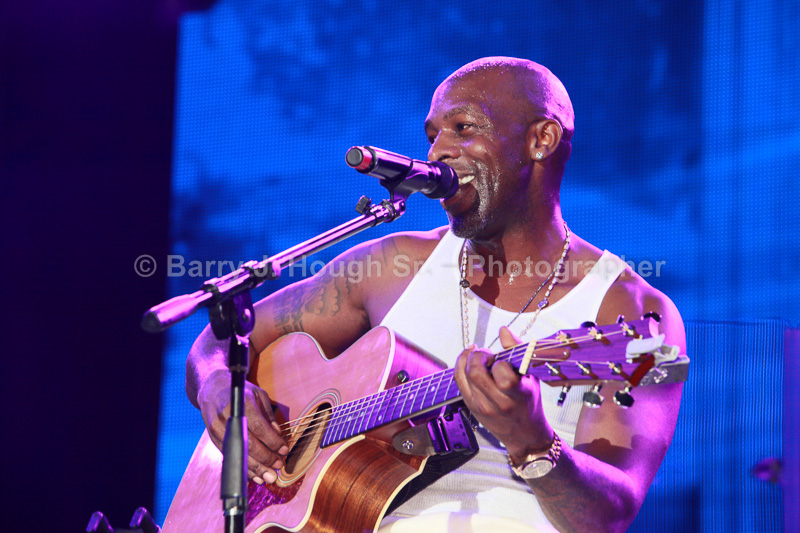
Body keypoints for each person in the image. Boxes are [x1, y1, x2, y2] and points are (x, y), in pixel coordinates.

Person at [185, 57, 685, 532]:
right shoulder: (391, 267)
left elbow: (608, 517)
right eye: (432, 136)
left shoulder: (628, 311)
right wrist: (216, 387)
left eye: (463, 128)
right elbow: (220, 340)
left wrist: (534, 443)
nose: (437, 152)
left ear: (541, 139)